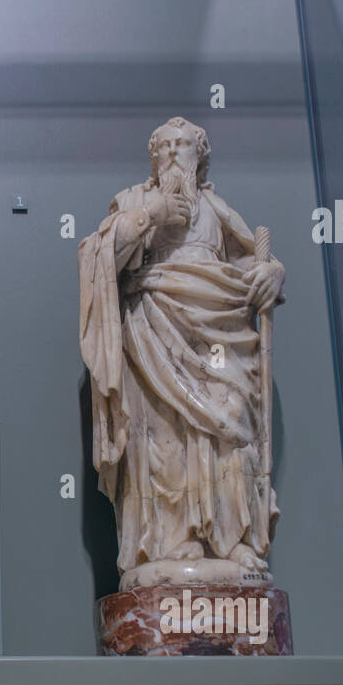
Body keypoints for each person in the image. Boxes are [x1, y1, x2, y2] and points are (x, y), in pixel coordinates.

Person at [79, 116, 284, 589]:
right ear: (153, 160)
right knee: (162, 440)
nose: (173, 153)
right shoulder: (132, 201)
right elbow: (96, 258)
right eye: (164, 147)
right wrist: (150, 214)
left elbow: (253, 262)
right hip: (153, 331)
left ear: (200, 158)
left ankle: (232, 539)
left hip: (219, 336)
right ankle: (170, 545)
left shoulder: (217, 208)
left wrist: (273, 273)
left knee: (230, 426)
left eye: (183, 145)